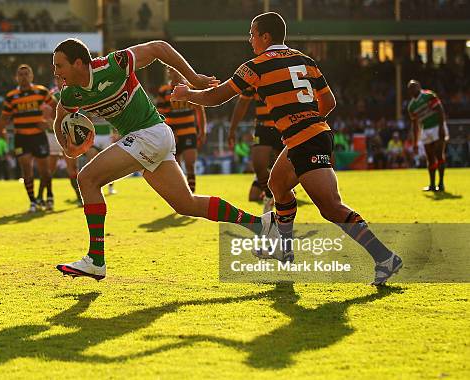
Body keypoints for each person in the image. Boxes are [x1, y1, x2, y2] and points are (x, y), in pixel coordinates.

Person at [171, 12, 402, 285]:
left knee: (331, 207)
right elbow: (329, 103)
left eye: (252, 34)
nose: (250, 39)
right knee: (278, 185)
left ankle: (384, 257)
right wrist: (306, 122)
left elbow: (216, 96)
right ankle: (285, 249)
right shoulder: (306, 61)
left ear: (265, 37)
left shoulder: (256, 66)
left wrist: (187, 94)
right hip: (307, 136)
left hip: (305, 140)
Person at [51, 38, 267, 280]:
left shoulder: (113, 64)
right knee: (186, 204)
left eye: (59, 66)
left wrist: (194, 79)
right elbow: (60, 117)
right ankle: (260, 224)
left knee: (87, 179)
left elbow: (159, 48)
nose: (56, 72)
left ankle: (96, 259)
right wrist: (67, 147)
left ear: (79, 63)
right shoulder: (71, 94)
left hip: (149, 134)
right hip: (154, 138)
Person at [0, 64, 56, 213]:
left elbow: (55, 108)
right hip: (21, 137)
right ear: (16, 78)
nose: (23, 77)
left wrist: (49, 123)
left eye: (26, 74)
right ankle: (33, 201)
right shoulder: (11, 96)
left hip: (39, 136)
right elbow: (3, 120)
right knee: (26, 169)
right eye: (20, 74)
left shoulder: (41, 92)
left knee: (44, 171)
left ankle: (49, 195)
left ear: (32, 76)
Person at [229, 88, 283, 210]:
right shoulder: (254, 75)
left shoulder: (288, 72)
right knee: (258, 166)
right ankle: (270, 195)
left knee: (284, 170)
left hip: (284, 126)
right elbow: (242, 103)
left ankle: (284, 200)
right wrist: (232, 129)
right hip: (262, 127)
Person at [156, 67, 206, 192]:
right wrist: (170, 133)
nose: (174, 73)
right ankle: (183, 193)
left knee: (190, 163)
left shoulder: (190, 88)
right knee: (176, 167)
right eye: (171, 71)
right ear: (168, 73)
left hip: (189, 131)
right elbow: (161, 115)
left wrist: (202, 130)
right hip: (173, 134)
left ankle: (191, 193)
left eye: (175, 70)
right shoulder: (164, 91)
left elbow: (200, 110)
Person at [42, 76, 82, 207]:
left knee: (73, 168)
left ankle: (79, 198)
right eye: (58, 79)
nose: (61, 82)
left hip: (68, 135)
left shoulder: (74, 93)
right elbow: (44, 115)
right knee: (50, 168)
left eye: (63, 79)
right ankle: (45, 197)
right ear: (55, 81)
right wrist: (49, 123)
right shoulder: (51, 95)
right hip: (53, 136)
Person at [407, 80, 448, 192]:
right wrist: (415, 142)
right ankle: (432, 184)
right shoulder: (411, 106)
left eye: (414, 87)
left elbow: (440, 110)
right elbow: (415, 125)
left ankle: (441, 183)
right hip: (426, 130)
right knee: (430, 158)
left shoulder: (428, 96)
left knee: (439, 155)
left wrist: (441, 128)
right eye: (410, 88)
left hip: (436, 126)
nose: (413, 89)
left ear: (419, 86)